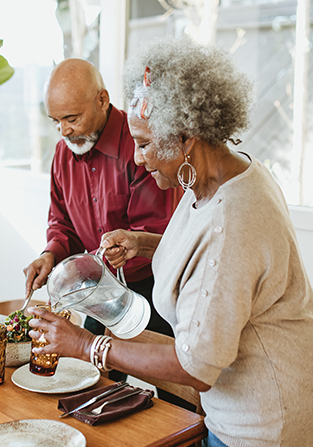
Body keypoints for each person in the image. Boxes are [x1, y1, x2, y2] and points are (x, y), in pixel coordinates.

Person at [27, 36, 313, 447]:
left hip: (261, 426)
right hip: (234, 408)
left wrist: (87, 344)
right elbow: (202, 255)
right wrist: (142, 244)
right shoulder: (211, 181)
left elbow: (196, 367)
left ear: (186, 138)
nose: (138, 158)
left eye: (144, 144)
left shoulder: (232, 217)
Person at [23, 58, 181, 380]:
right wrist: (50, 254)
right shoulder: (63, 153)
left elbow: (159, 229)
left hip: (154, 286)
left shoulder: (141, 144)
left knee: (172, 392)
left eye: (72, 118)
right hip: (98, 289)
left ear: (102, 100)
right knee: (88, 379)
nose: (64, 130)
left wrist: (129, 244)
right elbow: (62, 222)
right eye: (56, 121)